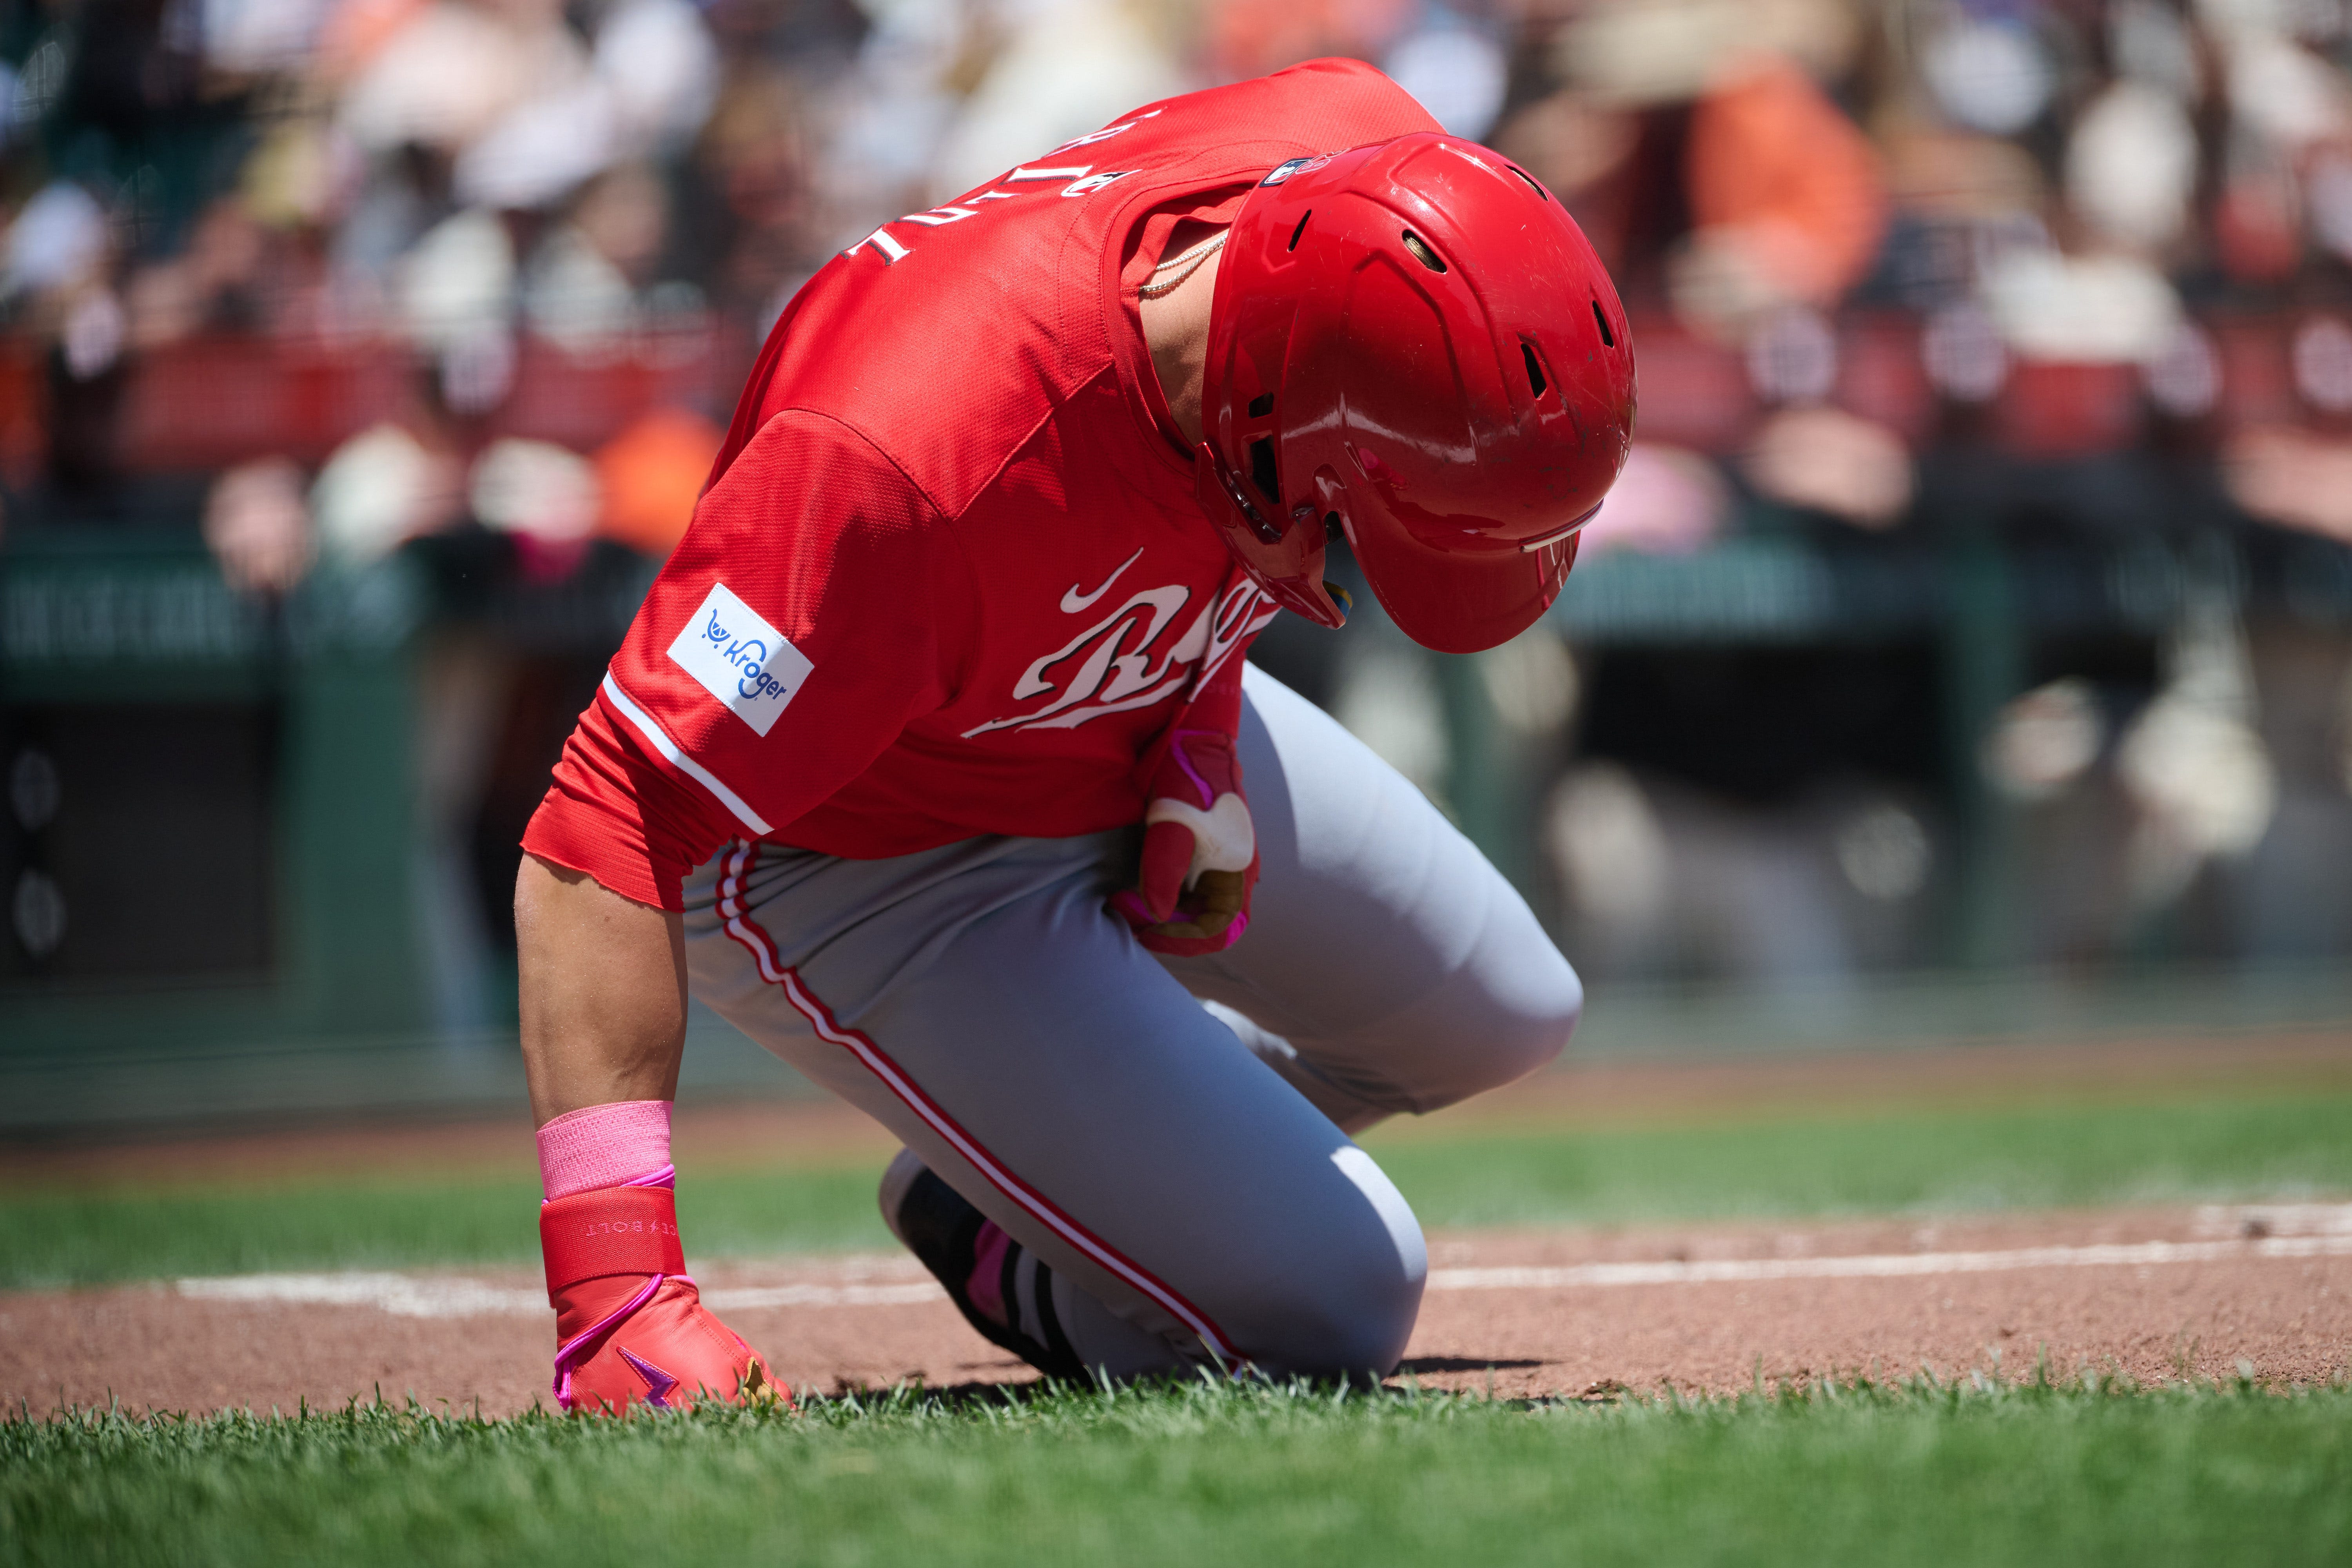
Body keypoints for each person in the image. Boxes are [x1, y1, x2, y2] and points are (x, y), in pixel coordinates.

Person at [516, 57, 1635, 1412]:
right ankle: (1037, 1235)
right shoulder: (895, 456)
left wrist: (1199, 736)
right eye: (1353, 518)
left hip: (1110, 708)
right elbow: (610, 812)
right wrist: (618, 1289)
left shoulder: (1364, 163)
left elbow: (1208, 486)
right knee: (1345, 1296)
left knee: (1507, 1011)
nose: (1349, 553)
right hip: (865, 855)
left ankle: (997, 1195)